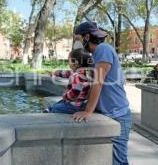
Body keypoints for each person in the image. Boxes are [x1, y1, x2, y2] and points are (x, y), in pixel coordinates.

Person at [72, 21, 132, 165]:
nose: (76, 43)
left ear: (86, 37)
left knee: (119, 161)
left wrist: (87, 112)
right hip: (108, 112)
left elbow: (97, 82)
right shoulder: (96, 54)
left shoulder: (103, 48)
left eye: (77, 38)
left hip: (118, 115)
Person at [44, 48, 92, 114]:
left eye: (68, 60)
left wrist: (65, 96)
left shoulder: (77, 76)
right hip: (80, 103)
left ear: (76, 63)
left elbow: (74, 93)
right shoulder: (83, 72)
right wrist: (55, 73)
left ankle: (51, 110)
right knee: (60, 102)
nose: (68, 63)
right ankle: (50, 109)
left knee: (57, 108)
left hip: (77, 106)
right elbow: (67, 73)